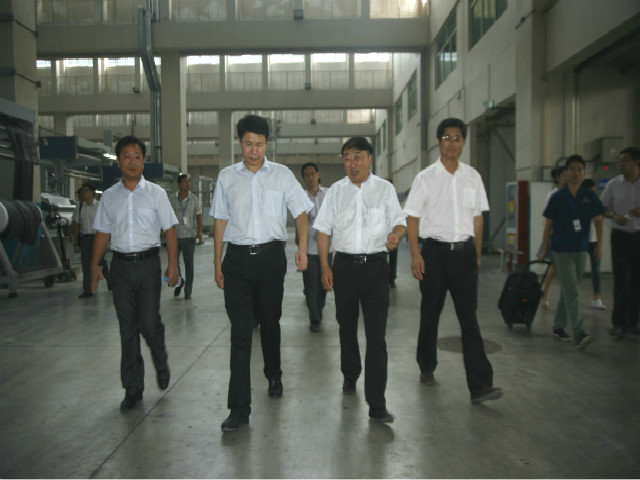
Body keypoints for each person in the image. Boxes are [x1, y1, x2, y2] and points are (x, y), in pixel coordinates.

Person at [210, 114, 313, 432]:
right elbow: (220, 221)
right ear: (239, 143)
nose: (254, 150)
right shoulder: (227, 177)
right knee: (241, 333)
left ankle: (274, 373)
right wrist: (217, 262)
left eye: (259, 144)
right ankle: (239, 408)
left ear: (267, 144)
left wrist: (301, 245)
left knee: (270, 322)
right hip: (237, 262)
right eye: (248, 144)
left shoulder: (281, 175)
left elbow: (301, 212)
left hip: (270, 260)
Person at [404, 117, 502, 404]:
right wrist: (415, 253)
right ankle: (426, 364)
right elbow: (412, 218)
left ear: (463, 143)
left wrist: (478, 255)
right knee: (430, 314)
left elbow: (478, 219)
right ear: (438, 142)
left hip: (465, 255)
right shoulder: (425, 178)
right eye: (447, 138)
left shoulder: (473, 177)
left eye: (457, 138)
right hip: (434, 255)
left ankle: (480, 385)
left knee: (469, 320)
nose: (452, 143)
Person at [315, 137, 406, 423]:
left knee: (376, 335)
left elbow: (400, 222)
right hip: (343, 268)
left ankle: (377, 403)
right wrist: (325, 267)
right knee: (346, 326)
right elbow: (323, 231)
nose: (352, 164)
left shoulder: (384, 189)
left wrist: (396, 235)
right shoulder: (335, 192)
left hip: (376, 269)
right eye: (347, 158)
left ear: (369, 159)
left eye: (357, 157)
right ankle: (350, 373)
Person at [91, 135, 179, 411]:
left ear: (144, 161)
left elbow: (170, 230)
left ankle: (160, 361)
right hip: (120, 268)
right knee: (127, 328)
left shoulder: (156, 193)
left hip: (148, 266)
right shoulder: (109, 197)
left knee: (149, 325)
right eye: (126, 157)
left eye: (137, 157)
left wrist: (173, 264)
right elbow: (103, 233)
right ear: (118, 162)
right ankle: (133, 387)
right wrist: (94, 265)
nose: (132, 162)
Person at [539, 155, 605, 348]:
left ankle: (558, 325)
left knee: (569, 289)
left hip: (581, 249)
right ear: (566, 173)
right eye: (572, 169)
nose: (576, 173)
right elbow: (548, 225)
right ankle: (580, 332)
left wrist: (600, 245)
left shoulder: (589, 196)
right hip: (561, 249)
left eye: (580, 169)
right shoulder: (557, 198)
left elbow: (599, 221)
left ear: (583, 173)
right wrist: (545, 249)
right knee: (573, 290)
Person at [600, 146, 640, 338]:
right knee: (622, 280)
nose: (621, 164)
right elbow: (603, 207)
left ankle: (633, 323)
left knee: (637, 281)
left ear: (637, 162)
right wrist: (614, 216)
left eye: (625, 160)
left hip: (638, 236)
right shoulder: (614, 184)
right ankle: (618, 323)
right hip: (620, 237)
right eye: (621, 160)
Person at [297, 162, 331, 332]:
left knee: (324, 283)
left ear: (318, 174)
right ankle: (314, 318)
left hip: (328, 248)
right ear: (303, 178)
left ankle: (319, 308)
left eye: (312, 174)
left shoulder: (329, 194)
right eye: (307, 175)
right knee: (311, 286)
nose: (310, 177)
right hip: (309, 248)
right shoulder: (300, 198)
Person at [70, 182, 109, 298]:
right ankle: (88, 289)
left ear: (92, 192)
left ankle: (111, 281)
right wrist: (75, 238)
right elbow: (78, 223)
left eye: (86, 190)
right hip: (85, 238)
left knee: (100, 262)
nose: (83, 193)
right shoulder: (80, 207)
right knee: (86, 264)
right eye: (82, 190)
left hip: (97, 238)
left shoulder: (99, 206)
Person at [169, 173, 203, 299]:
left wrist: (200, 232)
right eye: (184, 182)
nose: (187, 184)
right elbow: (167, 216)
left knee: (189, 264)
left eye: (188, 182)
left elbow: (198, 216)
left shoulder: (194, 199)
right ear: (179, 184)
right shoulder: (172, 199)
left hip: (189, 236)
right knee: (174, 262)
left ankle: (188, 290)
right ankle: (179, 282)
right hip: (175, 236)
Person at [540, 165, 567, 309]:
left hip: (569, 237)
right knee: (555, 269)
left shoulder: (571, 193)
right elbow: (548, 221)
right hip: (556, 237)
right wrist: (549, 239)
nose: (567, 178)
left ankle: (566, 298)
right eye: (564, 175)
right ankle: (545, 295)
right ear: (558, 178)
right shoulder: (552, 195)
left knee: (566, 271)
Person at [581, 178, 606, 310]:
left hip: (594, 241)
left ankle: (597, 297)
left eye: (593, 191)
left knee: (596, 270)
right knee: (576, 271)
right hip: (580, 241)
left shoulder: (596, 202)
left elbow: (600, 222)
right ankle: (572, 298)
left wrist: (600, 246)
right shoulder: (578, 201)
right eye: (590, 191)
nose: (592, 193)